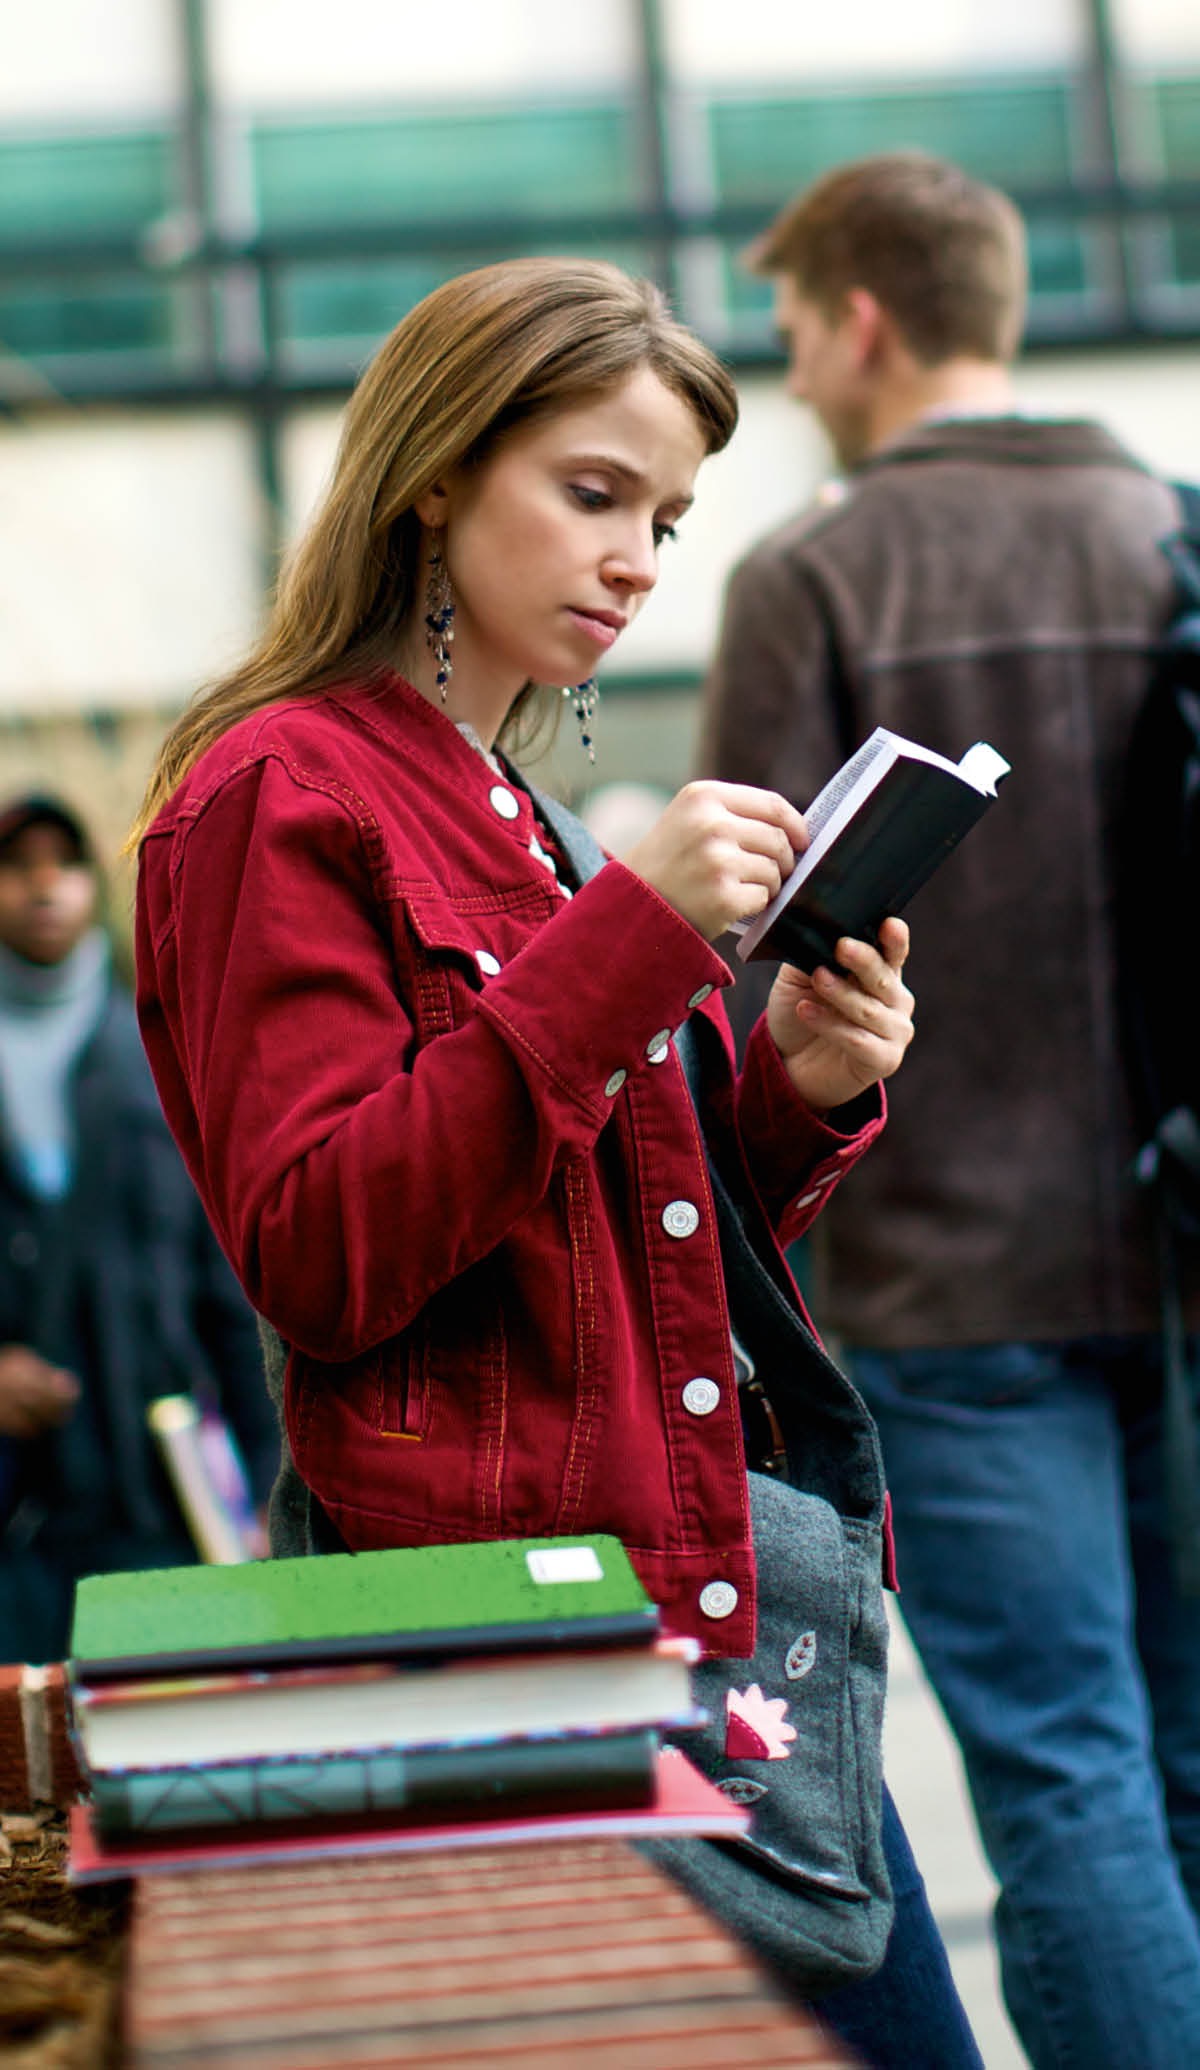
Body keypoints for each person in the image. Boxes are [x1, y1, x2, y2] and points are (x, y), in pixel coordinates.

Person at [128, 256, 983, 2067]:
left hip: (696, 1601)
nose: (637, 562)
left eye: (666, 520)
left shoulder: (522, 811)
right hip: (501, 1634)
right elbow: (320, 1248)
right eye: (592, 495)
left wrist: (794, 1094)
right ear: (437, 471)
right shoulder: (279, 793)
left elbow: (613, 1231)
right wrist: (630, 948)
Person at [696, 150, 1200, 2070]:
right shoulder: (1177, 531)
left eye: (803, 333)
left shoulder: (822, 569)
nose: (803, 375)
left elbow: (739, 952)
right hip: (1186, 1255)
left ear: (865, 319)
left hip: (950, 1277)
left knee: (1068, 1776)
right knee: (1183, 1764)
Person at [0, 792, 279, 1665]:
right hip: (16, 1517)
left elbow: (229, 1291)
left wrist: (266, 1486)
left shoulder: (159, 1049)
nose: (45, 886)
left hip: (155, 1490)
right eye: (18, 865)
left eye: (65, 863)